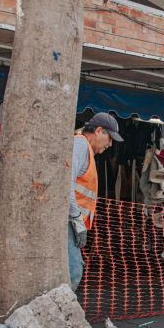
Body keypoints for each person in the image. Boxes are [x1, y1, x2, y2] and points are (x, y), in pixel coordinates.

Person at [69, 113, 123, 291]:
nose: (110, 144)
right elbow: (66, 184)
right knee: (73, 271)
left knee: (73, 269)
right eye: (109, 138)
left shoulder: (84, 150)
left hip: (70, 221)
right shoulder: (80, 145)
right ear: (98, 130)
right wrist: (76, 219)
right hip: (67, 221)